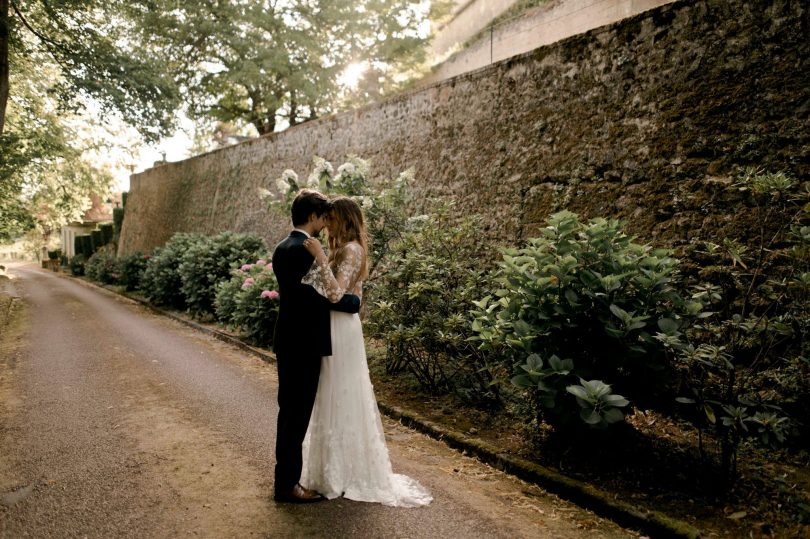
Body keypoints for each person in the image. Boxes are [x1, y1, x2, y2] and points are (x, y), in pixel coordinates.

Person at [300, 196, 432, 507]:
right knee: (330, 393)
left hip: (341, 328)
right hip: (334, 324)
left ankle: (346, 474)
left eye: (331, 218)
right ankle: (330, 470)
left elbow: (334, 294)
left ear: (343, 219)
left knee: (341, 393)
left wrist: (320, 259)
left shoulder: (352, 250)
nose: (327, 224)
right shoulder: (342, 249)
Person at [271, 189, 362, 504]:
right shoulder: (306, 251)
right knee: (296, 417)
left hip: (287, 339)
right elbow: (326, 296)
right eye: (323, 218)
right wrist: (353, 302)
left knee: (288, 413)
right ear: (312, 217)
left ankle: (284, 481)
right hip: (305, 344)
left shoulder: (283, 247)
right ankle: (287, 486)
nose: (325, 225)